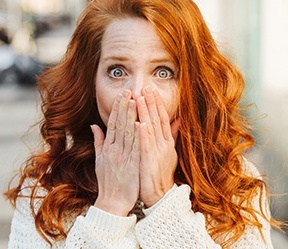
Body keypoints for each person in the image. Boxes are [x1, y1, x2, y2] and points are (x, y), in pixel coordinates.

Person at [5, 0, 282, 248]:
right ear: (91, 84)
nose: (137, 93)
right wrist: (109, 210)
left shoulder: (235, 185)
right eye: (117, 71)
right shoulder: (43, 191)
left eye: (163, 72)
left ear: (190, 86)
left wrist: (162, 200)